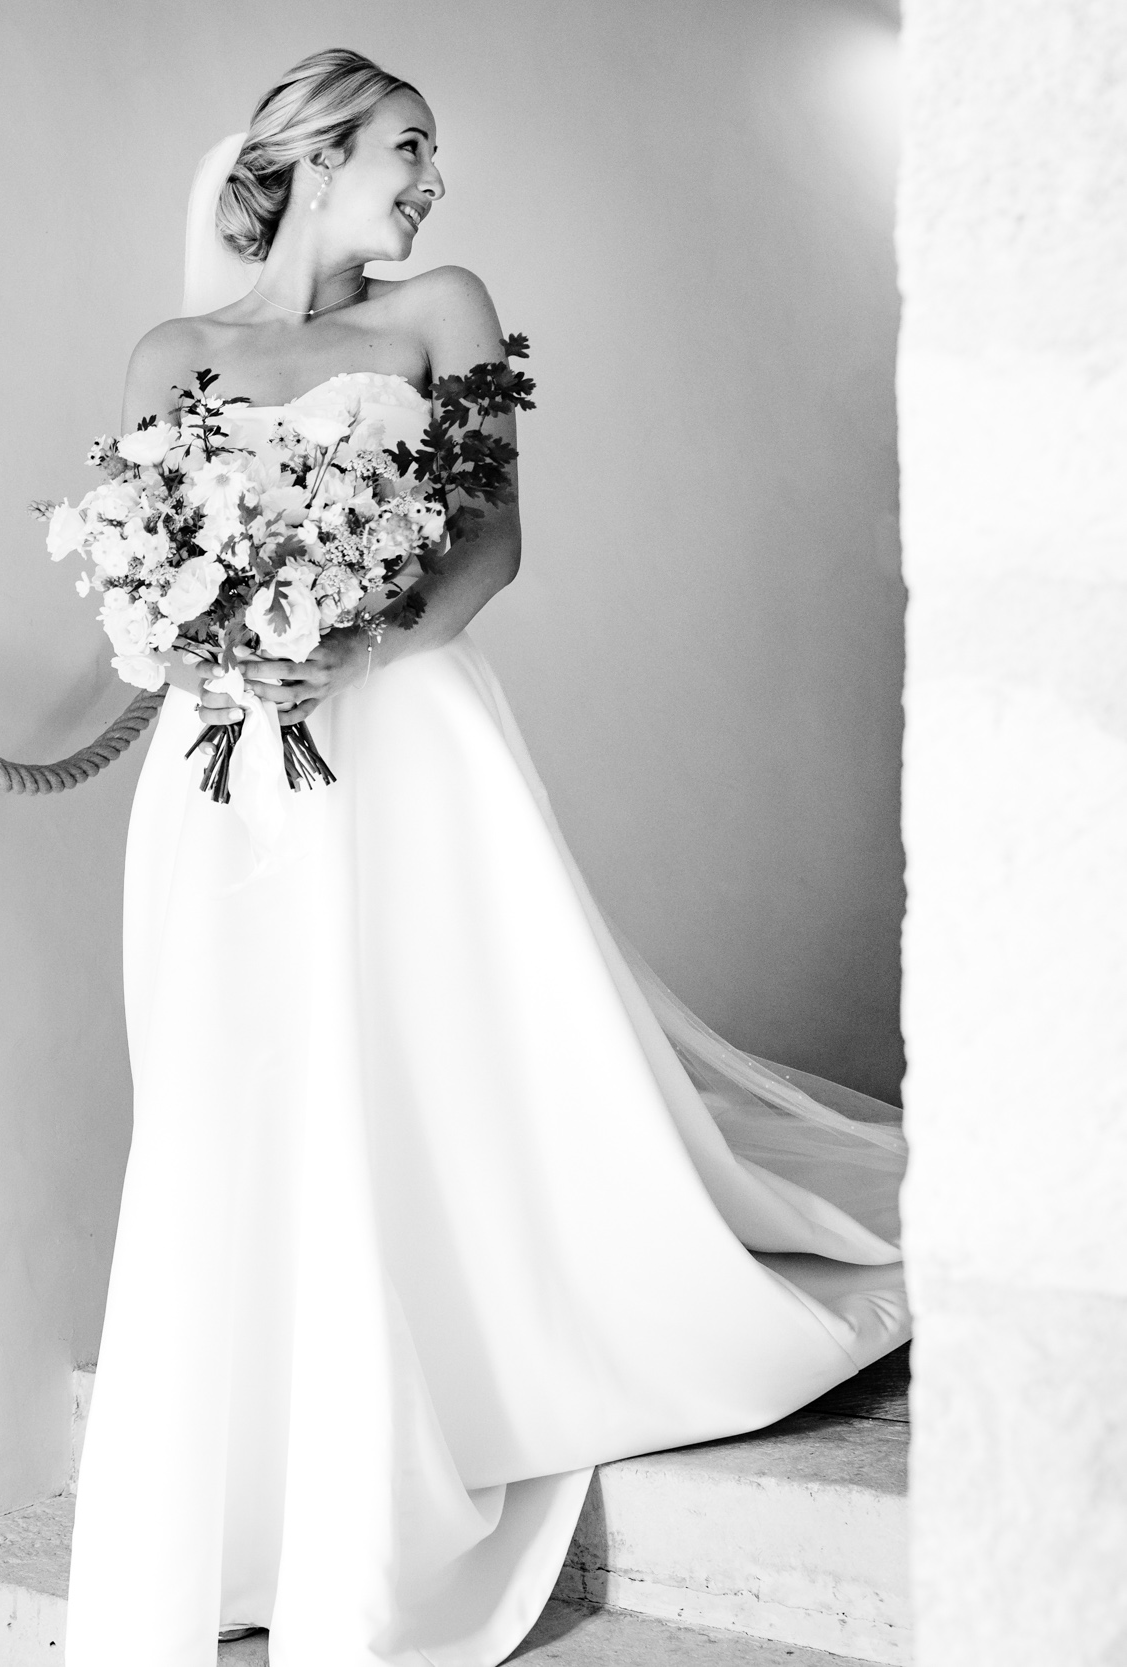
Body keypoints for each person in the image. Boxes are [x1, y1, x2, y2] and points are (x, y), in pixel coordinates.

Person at [62, 48, 910, 1667]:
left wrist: (362, 649)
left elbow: (495, 537)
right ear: (314, 155)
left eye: (432, 153)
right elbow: (139, 564)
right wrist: (214, 640)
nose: (431, 179)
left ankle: (443, 1362)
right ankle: (249, 1452)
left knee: (417, 1042)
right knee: (233, 1071)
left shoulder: (444, 305)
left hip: (407, 737)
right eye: (406, 146)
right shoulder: (171, 353)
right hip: (227, 767)